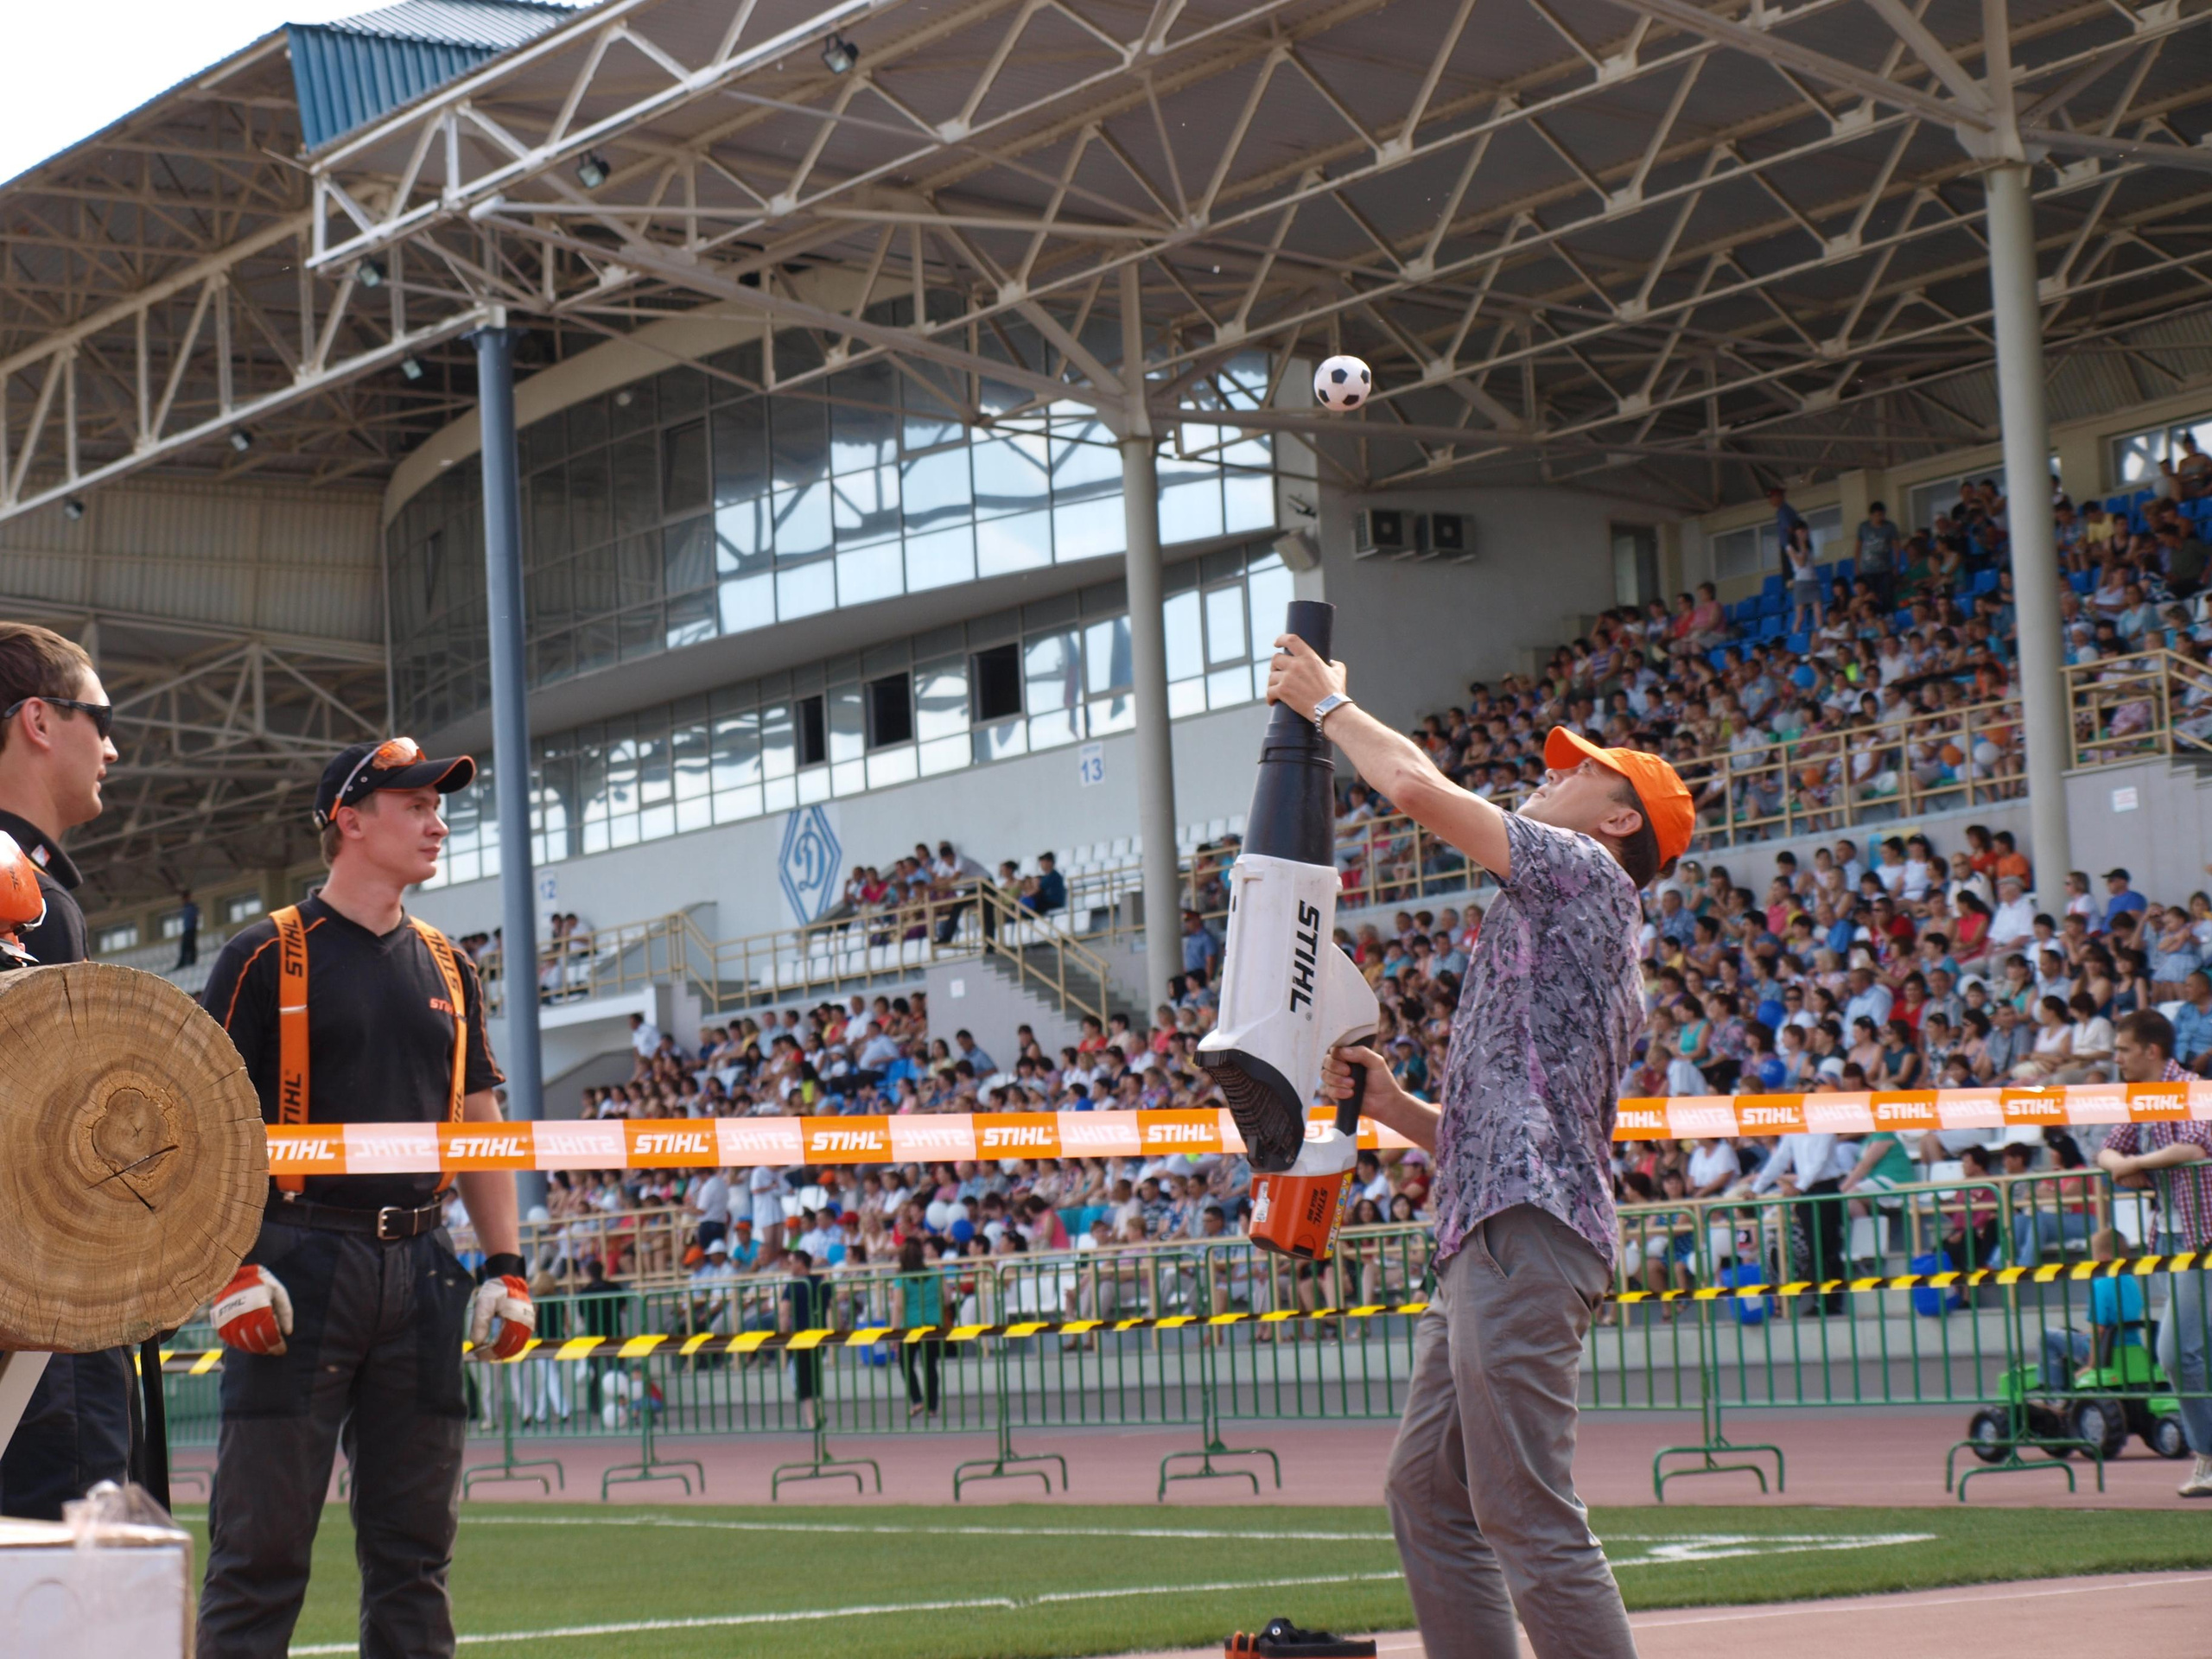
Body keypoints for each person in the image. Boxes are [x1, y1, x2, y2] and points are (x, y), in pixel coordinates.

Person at [1275, 628, 1693, 1659]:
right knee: (1428, 1495)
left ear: (1619, 819)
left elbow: (1415, 789)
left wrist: (1327, 704)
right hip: (1492, 1227)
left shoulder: (1588, 878)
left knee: (1523, 1513)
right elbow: (1509, 1122)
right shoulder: (1552, 912)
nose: (1544, 782)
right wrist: (1396, 1107)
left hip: (1522, 1231)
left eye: (1575, 775)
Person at [195, 739, 531, 1657]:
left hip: (425, 1271)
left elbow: (478, 1119)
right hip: (296, 1263)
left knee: (415, 1554)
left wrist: (505, 1266)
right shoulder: (262, 954)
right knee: (259, 1550)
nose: (439, 819)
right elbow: (200, 1122)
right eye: (416, 802)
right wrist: (230, 1263)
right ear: (349, 818)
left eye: (440, 803)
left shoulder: (448, 964)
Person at [0, 624, 132, 1520]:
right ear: (40, 721)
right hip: (36, 1319)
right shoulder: (19, 891)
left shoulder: (44, 895)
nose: (113, 746)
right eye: (100, 719)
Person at [2096, 1009, 2212, 1498]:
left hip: (2201, 1238)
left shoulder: (2191, 1089)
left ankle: (2206, 1455)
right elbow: (2106, 1150)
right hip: (2168, 1239)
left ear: (2152, 1051)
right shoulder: (2139, 1099)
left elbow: (2195, 1147)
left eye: (2123, 1050)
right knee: (2193, 1353)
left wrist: (2133, 1164)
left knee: (2175, 1353)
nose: (2117, 1058)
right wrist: (2119, 1163)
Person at [175, 889, 201, 969]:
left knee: (191, 945)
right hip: (187, 929)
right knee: (185, 946)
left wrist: (194, 927)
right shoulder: (185, 908)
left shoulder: (191, 907)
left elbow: (195, 918)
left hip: (191, 929)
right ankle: (183, 962)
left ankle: (191, 961)